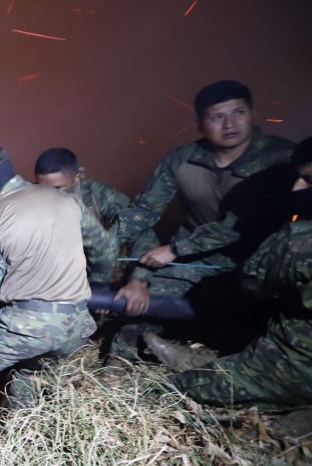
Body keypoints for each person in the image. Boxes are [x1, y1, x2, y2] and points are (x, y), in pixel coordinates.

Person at [112, 80, 295, 357]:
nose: (230, 124)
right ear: (200, 124)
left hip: (261, 262)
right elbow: (145, 210)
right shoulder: (182, 159)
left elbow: (237, 226)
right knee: (143, 305)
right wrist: (103, 243)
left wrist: (175, 250)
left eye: (239, 112)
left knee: (257, 328)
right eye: (217, 117)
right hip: (195, 261)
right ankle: (118, 366)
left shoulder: (283, 158)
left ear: (253, 114)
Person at [0, 146, 116, 418]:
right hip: (77, 326)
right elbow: (106, 250)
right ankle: (27, 432)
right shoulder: (65, 200)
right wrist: (98, 286)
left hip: (29, 327)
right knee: (27, 373)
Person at [144, 136, 312, 408]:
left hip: (299, 363)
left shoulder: (299, 240)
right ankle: (220, 355)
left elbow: (253, 283)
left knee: (168, 392)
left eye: (309, 180)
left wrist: (176, 249)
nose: (297, 187)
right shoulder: (184, 157)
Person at [34, 147, 130, 231]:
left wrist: (109, 244)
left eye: (57, 188)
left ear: (77, 176)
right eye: (43, 188)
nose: (49, 194)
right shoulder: (31, 197)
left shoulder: (97, 191)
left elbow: (129, 219)